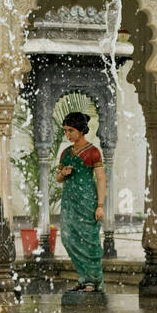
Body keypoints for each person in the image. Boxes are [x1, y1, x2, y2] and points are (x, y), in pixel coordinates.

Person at [55, 112, 106, 293]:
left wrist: (100, 205)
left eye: (71, 130)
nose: (67, 135)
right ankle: (83, 277)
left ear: (81, 130)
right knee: (69, 238)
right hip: (70, 200)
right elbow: (58, 178)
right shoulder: (66, 153)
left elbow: (100, 179)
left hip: (88, 201)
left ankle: (92, 280)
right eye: (65, 131)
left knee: (88, 240)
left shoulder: (93, 152)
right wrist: (63, 173)